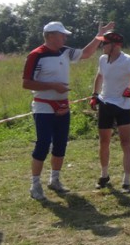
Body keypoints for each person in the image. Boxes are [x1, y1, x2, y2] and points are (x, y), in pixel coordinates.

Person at [22, 19, 113, 200]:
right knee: (43, 143)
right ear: (50, 36)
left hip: (62, 104)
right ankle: (35, 184)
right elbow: (26, 83)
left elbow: (86, 53)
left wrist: (99, 36)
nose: (64, 37)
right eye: (61, 34)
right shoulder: (36, 55)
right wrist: (53, 86)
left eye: (65, 35)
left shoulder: (65, 51)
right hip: (43, 104)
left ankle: (54, 179)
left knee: (61, 143)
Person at [91, 31, 130, 192]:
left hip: (123, 106)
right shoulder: (102, 59)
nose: (102, 46)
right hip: (105, 104)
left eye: (104, 43)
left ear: (114, 45)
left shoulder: (127, 61)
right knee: (104, 141)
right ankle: (104, 175)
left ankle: (126, 181)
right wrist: (94, 95)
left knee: (125, 142)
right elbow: (99, 77)